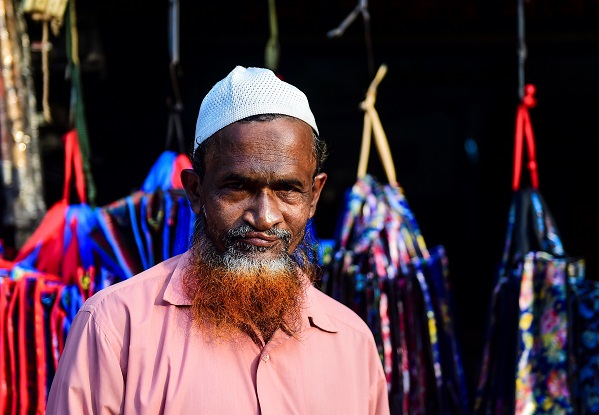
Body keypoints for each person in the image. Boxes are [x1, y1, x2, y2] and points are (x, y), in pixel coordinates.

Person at [46, 65, 390, 414]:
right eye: (238, 187)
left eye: (287, 190)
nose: (265, 217)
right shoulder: (115, 328)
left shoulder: (353, 344)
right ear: (195, 191)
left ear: (314, 196)